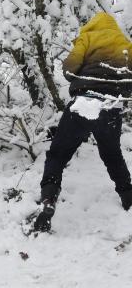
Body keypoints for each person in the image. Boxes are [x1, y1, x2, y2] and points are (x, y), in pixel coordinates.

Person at [33, 12, 132, 232]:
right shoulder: (125, 44)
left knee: (58, 154)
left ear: (93, 25)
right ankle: (128, 197)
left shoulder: (87, 38)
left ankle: (49, 199)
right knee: (112, 155)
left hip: (83, 103)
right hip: (110, 107)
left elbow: (69, 69)